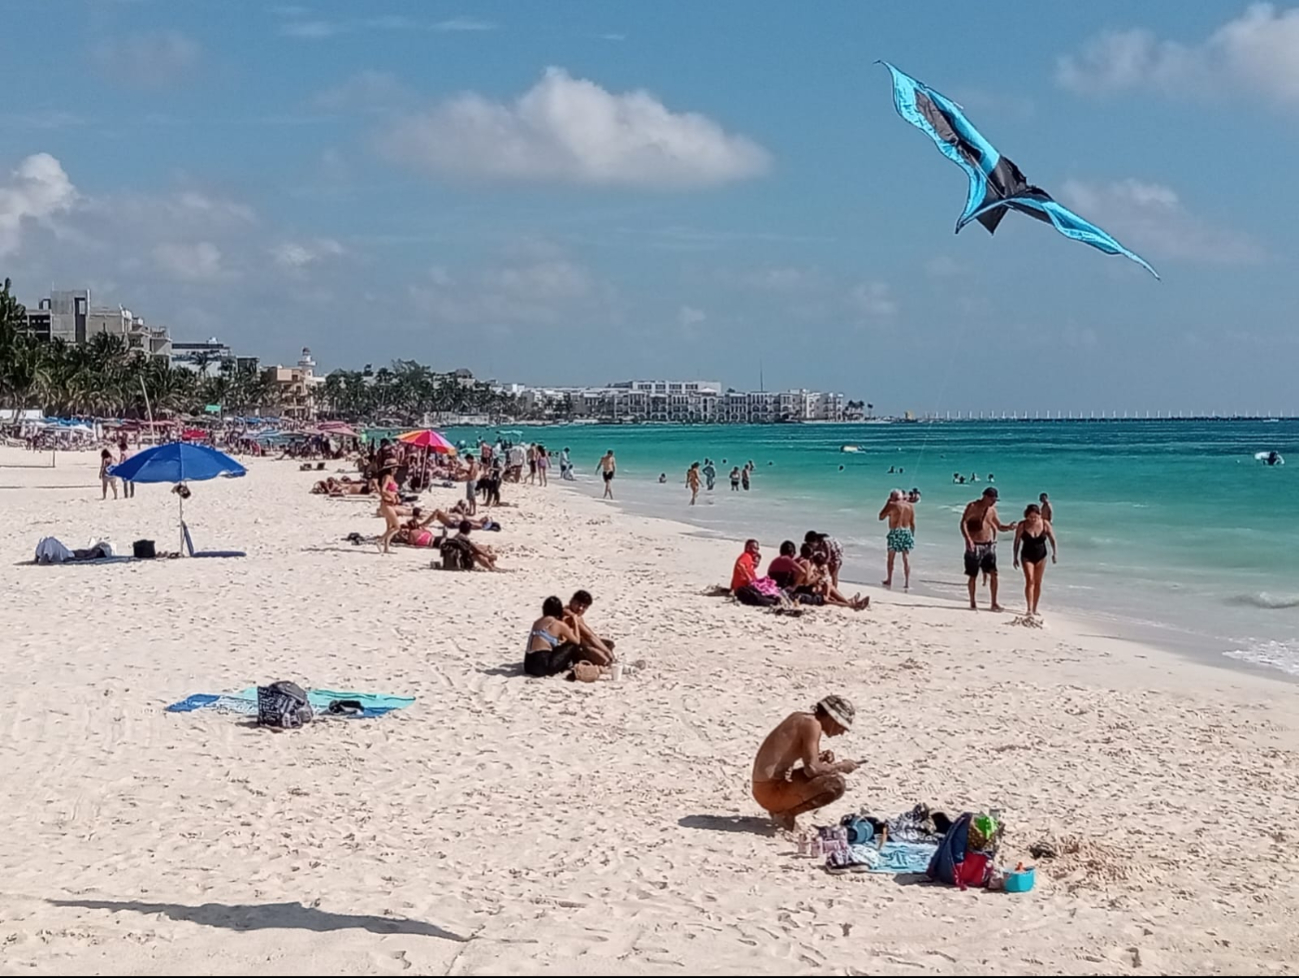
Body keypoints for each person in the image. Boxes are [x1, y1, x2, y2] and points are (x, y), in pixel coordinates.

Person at [752, 696, 858, 830]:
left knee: (827, 776)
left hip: (762, 787)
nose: (841, 732)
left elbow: (789, 754)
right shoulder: (812, 725)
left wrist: (820, 758)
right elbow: (812, 769)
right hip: (769, 792)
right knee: (836, 784)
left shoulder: (801, 718)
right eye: (841, 726)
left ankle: (782, 810)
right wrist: (841, 766)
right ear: (832, 719)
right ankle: (786, 814)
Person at [960, 487, 1017, 611]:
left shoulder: (992, 510)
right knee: (973, 575)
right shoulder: (973, 506)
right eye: (992, 499)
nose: (994, 502)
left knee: (994, 573)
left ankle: (994, 602)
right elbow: (963, 523)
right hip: (974, 544)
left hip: (988, 545)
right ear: (985, 496)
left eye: (995, 499)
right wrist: (968, 539)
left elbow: (999, 526)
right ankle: (973, 602)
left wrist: (1009, 527)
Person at [524, 596, 587, 678]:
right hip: (543, 667)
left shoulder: (537, 622)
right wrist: (575, 621)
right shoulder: (557, 624)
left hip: (528, 665)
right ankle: (580, 667)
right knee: (573, 646)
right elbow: (576, 641)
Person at [1014, 503, 1058, 616]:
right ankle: (1029, 608)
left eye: (1035, 517)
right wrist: (1015, 557)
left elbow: (1052, 539)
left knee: (1038, 582)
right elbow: (1017, 542)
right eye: (1030, 517)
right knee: (1030, 580)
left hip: (1041, 556)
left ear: (1039, 515)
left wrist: (1055, 553)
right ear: (1026, 516)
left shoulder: (1045, 524)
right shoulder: (1022, 525)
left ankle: (1035, 608)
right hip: (1026, 556)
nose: (1033, 519)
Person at [564, 589, 615, 666]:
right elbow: (589, 636)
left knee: (608, 643)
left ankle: (607, 659)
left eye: (584, 607)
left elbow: (590, 634)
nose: (580, 608)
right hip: (562, 649)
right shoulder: (568, 615)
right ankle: (605, 661)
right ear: (571, 601)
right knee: (584, 641)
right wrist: (606, 651)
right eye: (578, 604)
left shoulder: (575, 615)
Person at [879, 489, 916, 589]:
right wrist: (912, 535)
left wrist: (887, 503)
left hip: (895, 531)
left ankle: (889, 579)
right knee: (906, 558)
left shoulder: (892, 505)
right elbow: (912, 523)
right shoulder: (910, 506)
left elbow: (881, 516)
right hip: (907, 531)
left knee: (891, 557)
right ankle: (907, 582)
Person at [377, 467, 402, 554]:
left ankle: (386, 548)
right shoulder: (387, 477)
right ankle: (380, 540)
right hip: (386, 504)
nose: (397, 470)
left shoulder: (392, 477)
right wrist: (391, 496)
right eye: (395, 468)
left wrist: (396, 496)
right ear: (391, 469)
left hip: (390, 504)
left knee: (390, 527)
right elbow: (383, 490)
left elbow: (392, 490)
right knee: (397, 526)